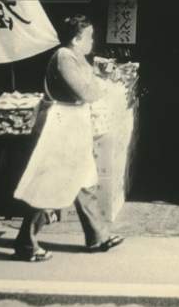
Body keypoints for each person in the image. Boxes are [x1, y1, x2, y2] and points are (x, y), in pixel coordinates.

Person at [12, 15, 124, 262]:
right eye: (89, 37)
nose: (92, 42)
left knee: (85, 180)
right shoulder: (63, 57)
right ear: (76, 39)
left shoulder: (75, 57)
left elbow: (88, 84)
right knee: (49, 183)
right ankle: (25, 244)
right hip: (63, 125)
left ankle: (98, 237)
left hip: (75, 122)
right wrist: (103, 83)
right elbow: (86, 91)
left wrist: (99, 75)